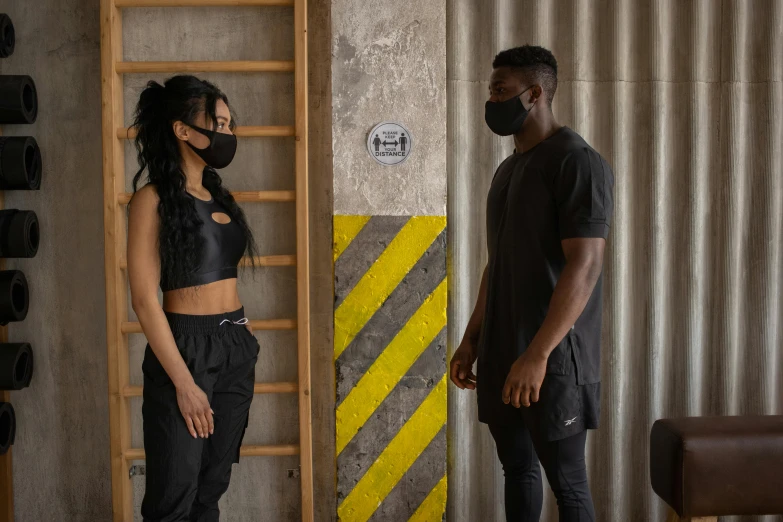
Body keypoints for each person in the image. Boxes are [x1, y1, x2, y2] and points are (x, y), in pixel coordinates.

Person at [450, 45, 614, 521]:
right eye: (490, 90)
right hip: (504, 351)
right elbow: (495, 264)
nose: (491, 100)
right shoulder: (508, 170)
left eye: (501, 90)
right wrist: (472, 339)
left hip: (554, 358)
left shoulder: (577, 161)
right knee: (517, 470)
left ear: (535, 94)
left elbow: (584, 265)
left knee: (568, 484)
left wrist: (538, 355)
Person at [127, 75, 261, 521]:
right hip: (185, 348)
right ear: (183, 130)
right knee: (173, 498)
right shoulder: (152, 200)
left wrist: (240, 344)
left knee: (210, 490)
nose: (226, 133)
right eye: (217, 123)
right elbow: (145, 300)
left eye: (228, 124)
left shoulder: (218, 195)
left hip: (235, 345)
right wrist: (184, 384)